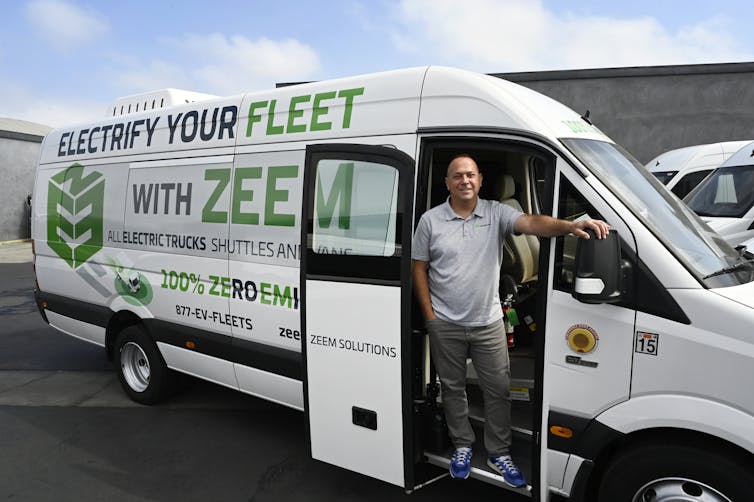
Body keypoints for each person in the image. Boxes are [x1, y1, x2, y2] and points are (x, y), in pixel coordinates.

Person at [412, 154, 609, 487]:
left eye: (470, 175)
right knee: (453, 389)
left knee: (498, 391)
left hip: (488, 323)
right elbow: (419, 268)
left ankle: (498, 452)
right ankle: (462, 445)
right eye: (457, 175)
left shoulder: (495, 212)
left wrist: (571, 226)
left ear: (479, 180)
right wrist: (430, 317)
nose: (465, 181)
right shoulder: (430, 221)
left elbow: (534, 223)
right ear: (447, 183)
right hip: (445, 323)